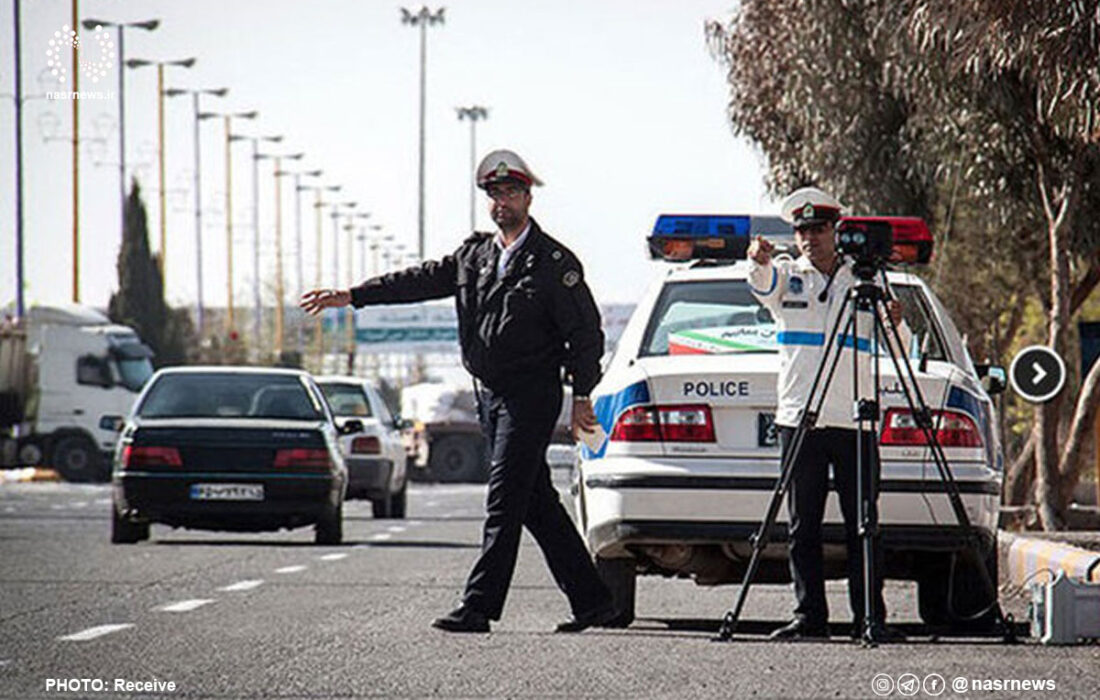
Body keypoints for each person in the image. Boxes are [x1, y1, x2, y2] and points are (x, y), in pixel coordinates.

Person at [300, 149, 616, 634]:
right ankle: (595, 602)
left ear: (529, 197)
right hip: (489, 396)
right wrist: (354, 296)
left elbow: (586, 334)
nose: (501, 203)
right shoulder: (476, 256)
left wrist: (581, 396)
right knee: (536, 504)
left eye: (510, 193)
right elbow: (419, 280)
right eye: (494, 194)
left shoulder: (554, 263)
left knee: (504, 499)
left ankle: (479, 607)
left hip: (531, 396)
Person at [746, 186, 906, 641]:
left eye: (818, 229)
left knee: (865, 524)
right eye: (802, 230)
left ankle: (869, 618)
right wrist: (756, 259)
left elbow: (898, 343)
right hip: (800, 418)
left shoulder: (864, 280)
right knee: (803, 526)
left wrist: (895, 318)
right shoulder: (784, 275)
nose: (809, 237)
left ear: (836, 231)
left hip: (855, 420)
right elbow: (760, 284)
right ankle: (809, 616)